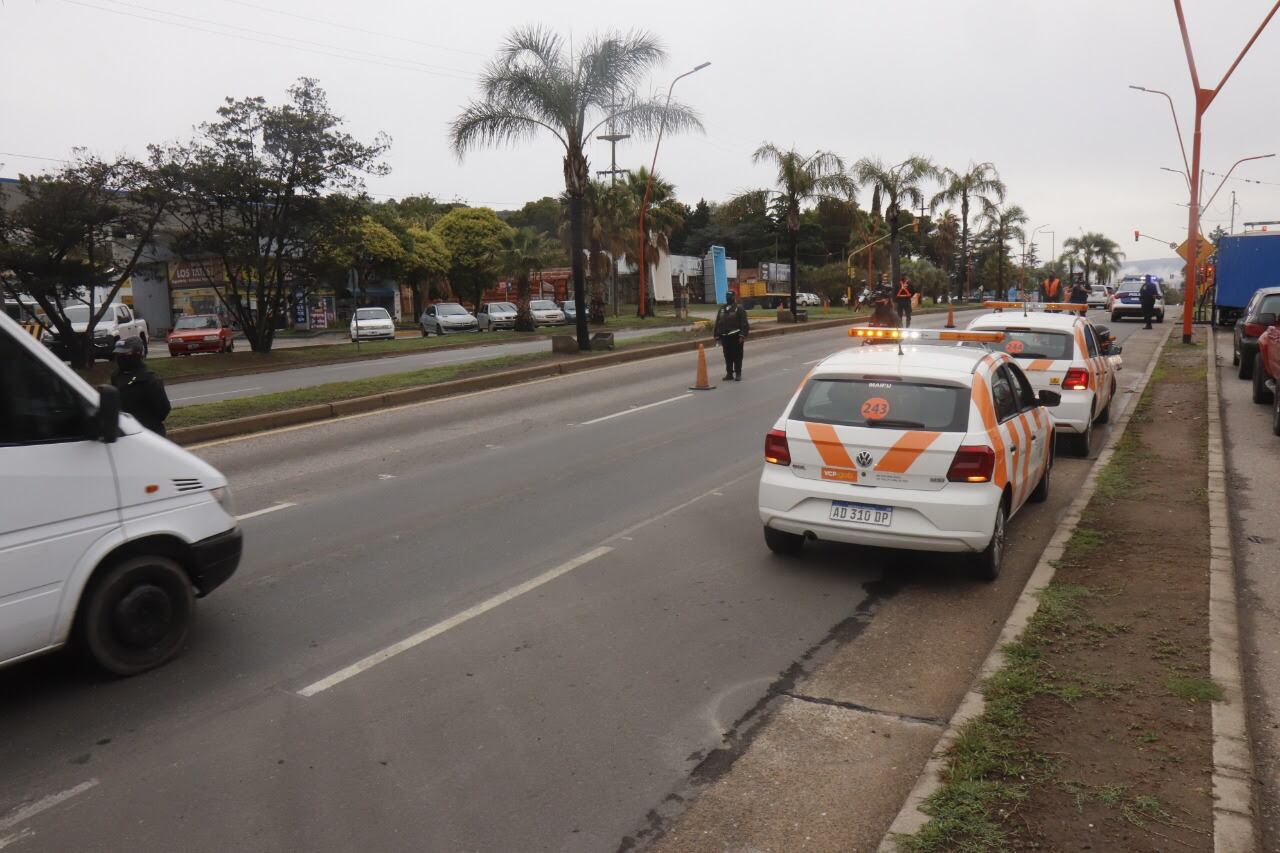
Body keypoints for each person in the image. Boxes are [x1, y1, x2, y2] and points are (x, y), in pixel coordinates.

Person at [111, 336, 171, 436]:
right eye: (118, 354)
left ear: (138, 354)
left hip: (149, 433)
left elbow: (163, 408)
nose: (121, 357)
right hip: (125, 433)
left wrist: (147, 421)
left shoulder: (150, 379)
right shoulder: (116, 376)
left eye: (125, 354)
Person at [713, 291, 750, 381]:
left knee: (737, 356)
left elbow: (744, 323)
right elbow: (718, 323)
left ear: (734, 297)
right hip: (725, 337)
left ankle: (738, 373)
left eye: (730, 296)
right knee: (727, 355)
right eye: (727, 296)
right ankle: (729, 373)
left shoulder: (739, 308)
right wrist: (717, 336)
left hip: (736, 337)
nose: (728, 298)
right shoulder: (722, 309)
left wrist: (742, 335)